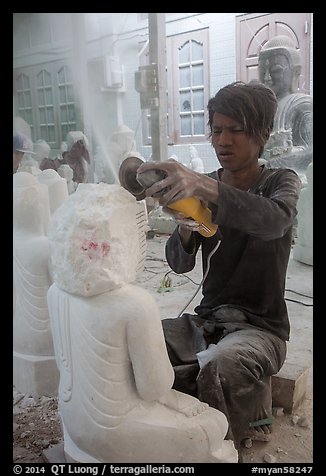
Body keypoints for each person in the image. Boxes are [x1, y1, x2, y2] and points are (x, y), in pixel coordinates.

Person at [136, 81, 302, 455]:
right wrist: (184, 225)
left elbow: (274, 221)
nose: (223, 140)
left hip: (260, 330)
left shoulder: (280, 182)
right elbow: (178, 266)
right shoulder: (203, 186)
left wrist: (204, 189)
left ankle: (222, 435)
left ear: (262, 133)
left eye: (235, 130)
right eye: (217, 129)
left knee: (221, 364)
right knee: (140, 342)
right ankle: (232, 397)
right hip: (207, 322)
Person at [258, 35, 313, 179]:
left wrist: (274, 159)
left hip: (292, 179)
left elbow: (310, 150)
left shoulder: (303, 104)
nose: (267, 78)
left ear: (295, 71)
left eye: (275, 70)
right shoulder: (261, 109)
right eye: (263, 71)